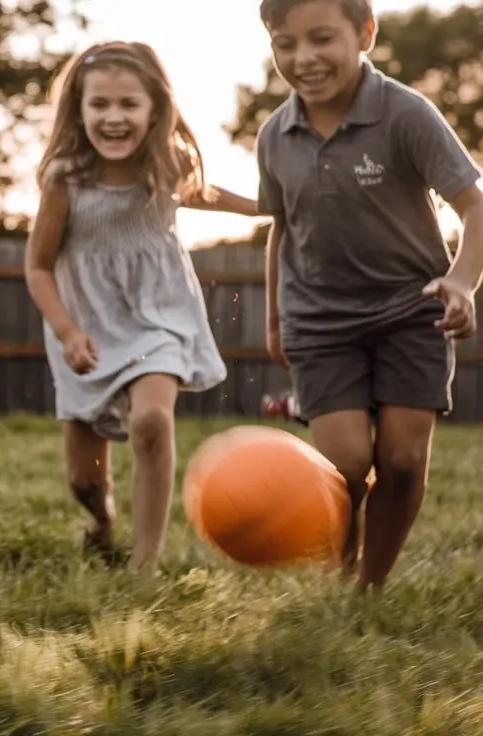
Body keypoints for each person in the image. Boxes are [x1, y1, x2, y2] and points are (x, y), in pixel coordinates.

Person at [255, 0, 483, 591]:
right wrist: (275, 318)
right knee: (346, 465)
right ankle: (340, 567)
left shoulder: (406, 114)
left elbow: (474, 204)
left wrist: (460, 281)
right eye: (286, 44)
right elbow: (282, 228)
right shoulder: (274, 136)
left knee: (402, 465)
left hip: (413, 313)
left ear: (365, 34)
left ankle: (368, 589)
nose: (304, 58)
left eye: (322, 39)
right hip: (319, 323)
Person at [24, 41, 261, 570]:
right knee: (83, 480)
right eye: (99, 104)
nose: (113, 117)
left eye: (128, 104)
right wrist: (66, 332)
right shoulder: (66, 180)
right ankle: (104, 520)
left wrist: (269, 206)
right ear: (79, 109)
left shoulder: (167, 165)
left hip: (160, 318)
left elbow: (208, 194)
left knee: (152, 421)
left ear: (155, 108)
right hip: (84, 328)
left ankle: (145, 563)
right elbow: (37, 268)